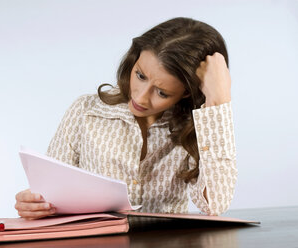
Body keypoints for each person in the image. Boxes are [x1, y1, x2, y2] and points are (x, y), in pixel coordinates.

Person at [15, 17, 237, 219]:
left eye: (162, 92)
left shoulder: (199, 126)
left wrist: (219, 101)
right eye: (140, 75)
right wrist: (35, 205)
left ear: (187, 92)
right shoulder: (85, 111)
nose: (140, 96)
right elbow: (51, 195)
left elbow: (215, 204)